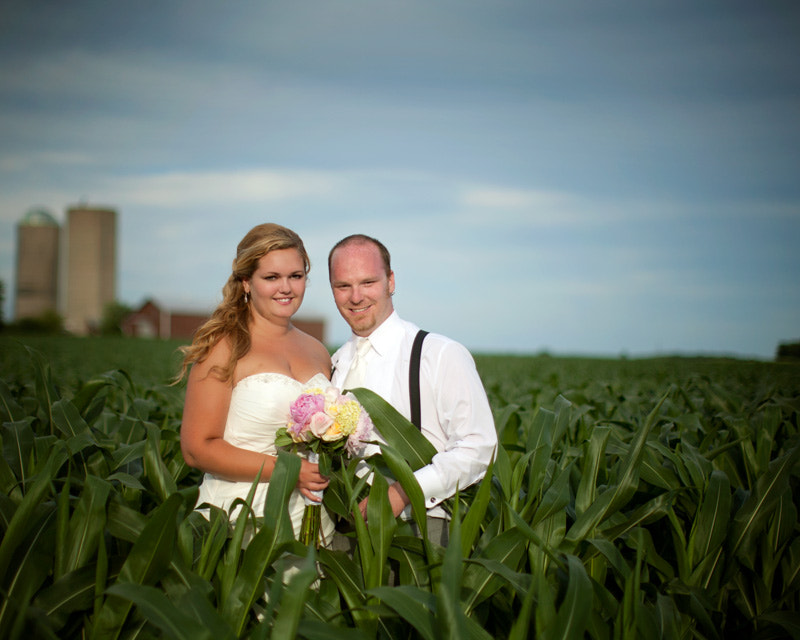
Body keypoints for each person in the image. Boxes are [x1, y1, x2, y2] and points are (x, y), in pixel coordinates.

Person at [328, 234, 497, 545]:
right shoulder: (335, 363)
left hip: (419, 529)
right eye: (343, 286)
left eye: (368, 282)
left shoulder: (439, 353)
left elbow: (479, 447)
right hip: (344, 534)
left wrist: (402, 492)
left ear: (390, 282)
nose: (355, 297)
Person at [179, 223, 335, 546]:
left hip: (313, 523)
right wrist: (289, 471)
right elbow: (197, 449)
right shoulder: (224, 347)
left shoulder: (318, 350)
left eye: (296, 276)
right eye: (272, 277)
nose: (286, 288)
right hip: (242, 523)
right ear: (246, 282)